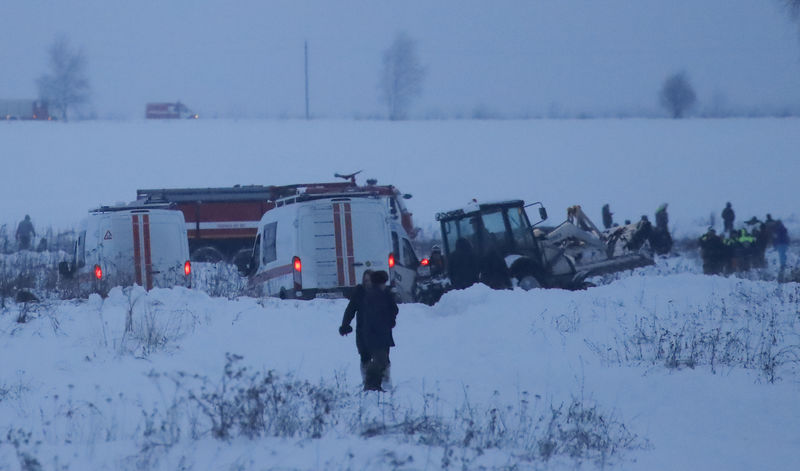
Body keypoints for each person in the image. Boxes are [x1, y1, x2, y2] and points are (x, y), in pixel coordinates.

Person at [360, 271, 398, 391]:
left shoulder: (375, 295)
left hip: (375, 334)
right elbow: (388, 312)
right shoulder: (379, 295)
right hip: (378, 334)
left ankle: (374, 384)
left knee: (382, 359)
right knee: (381, 360)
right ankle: (371, 384)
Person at [339, 270, 374, 386]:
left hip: (378, 332)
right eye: (365, 280)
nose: (367, 283)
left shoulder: (379, 292)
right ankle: (367, 382)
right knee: (365, 356)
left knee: (381, 358)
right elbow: (350, 310)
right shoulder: (359, 293)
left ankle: (384, 383)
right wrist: (345, 325)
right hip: (362, 332)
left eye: (369, 280)